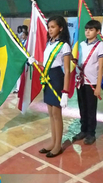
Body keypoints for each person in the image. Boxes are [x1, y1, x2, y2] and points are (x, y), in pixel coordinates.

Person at [28, 15, 71, 157]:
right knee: (51, 113)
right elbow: (47, 64)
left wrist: (65, 92)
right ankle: (53, 142)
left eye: (53, 27)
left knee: (57, 114)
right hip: (48, 78)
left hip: (57, 78)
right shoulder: (50, 43)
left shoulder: (64, 45)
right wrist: (35, 61)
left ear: (61, 28)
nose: (50, 30)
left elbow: (66, 70)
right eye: (49, 27)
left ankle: (58, 145)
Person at [72, 20, 103, 145]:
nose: (87, 32)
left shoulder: (100, 45)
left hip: (91, 82)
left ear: (97, 32)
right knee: (82, 107)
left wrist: (98, 85)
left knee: (91, 108)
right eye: (86, 29)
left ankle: (91, 133)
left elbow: (101, 67)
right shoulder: (80, 45)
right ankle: (83, 130)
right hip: (80, 81)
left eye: (91, 30)